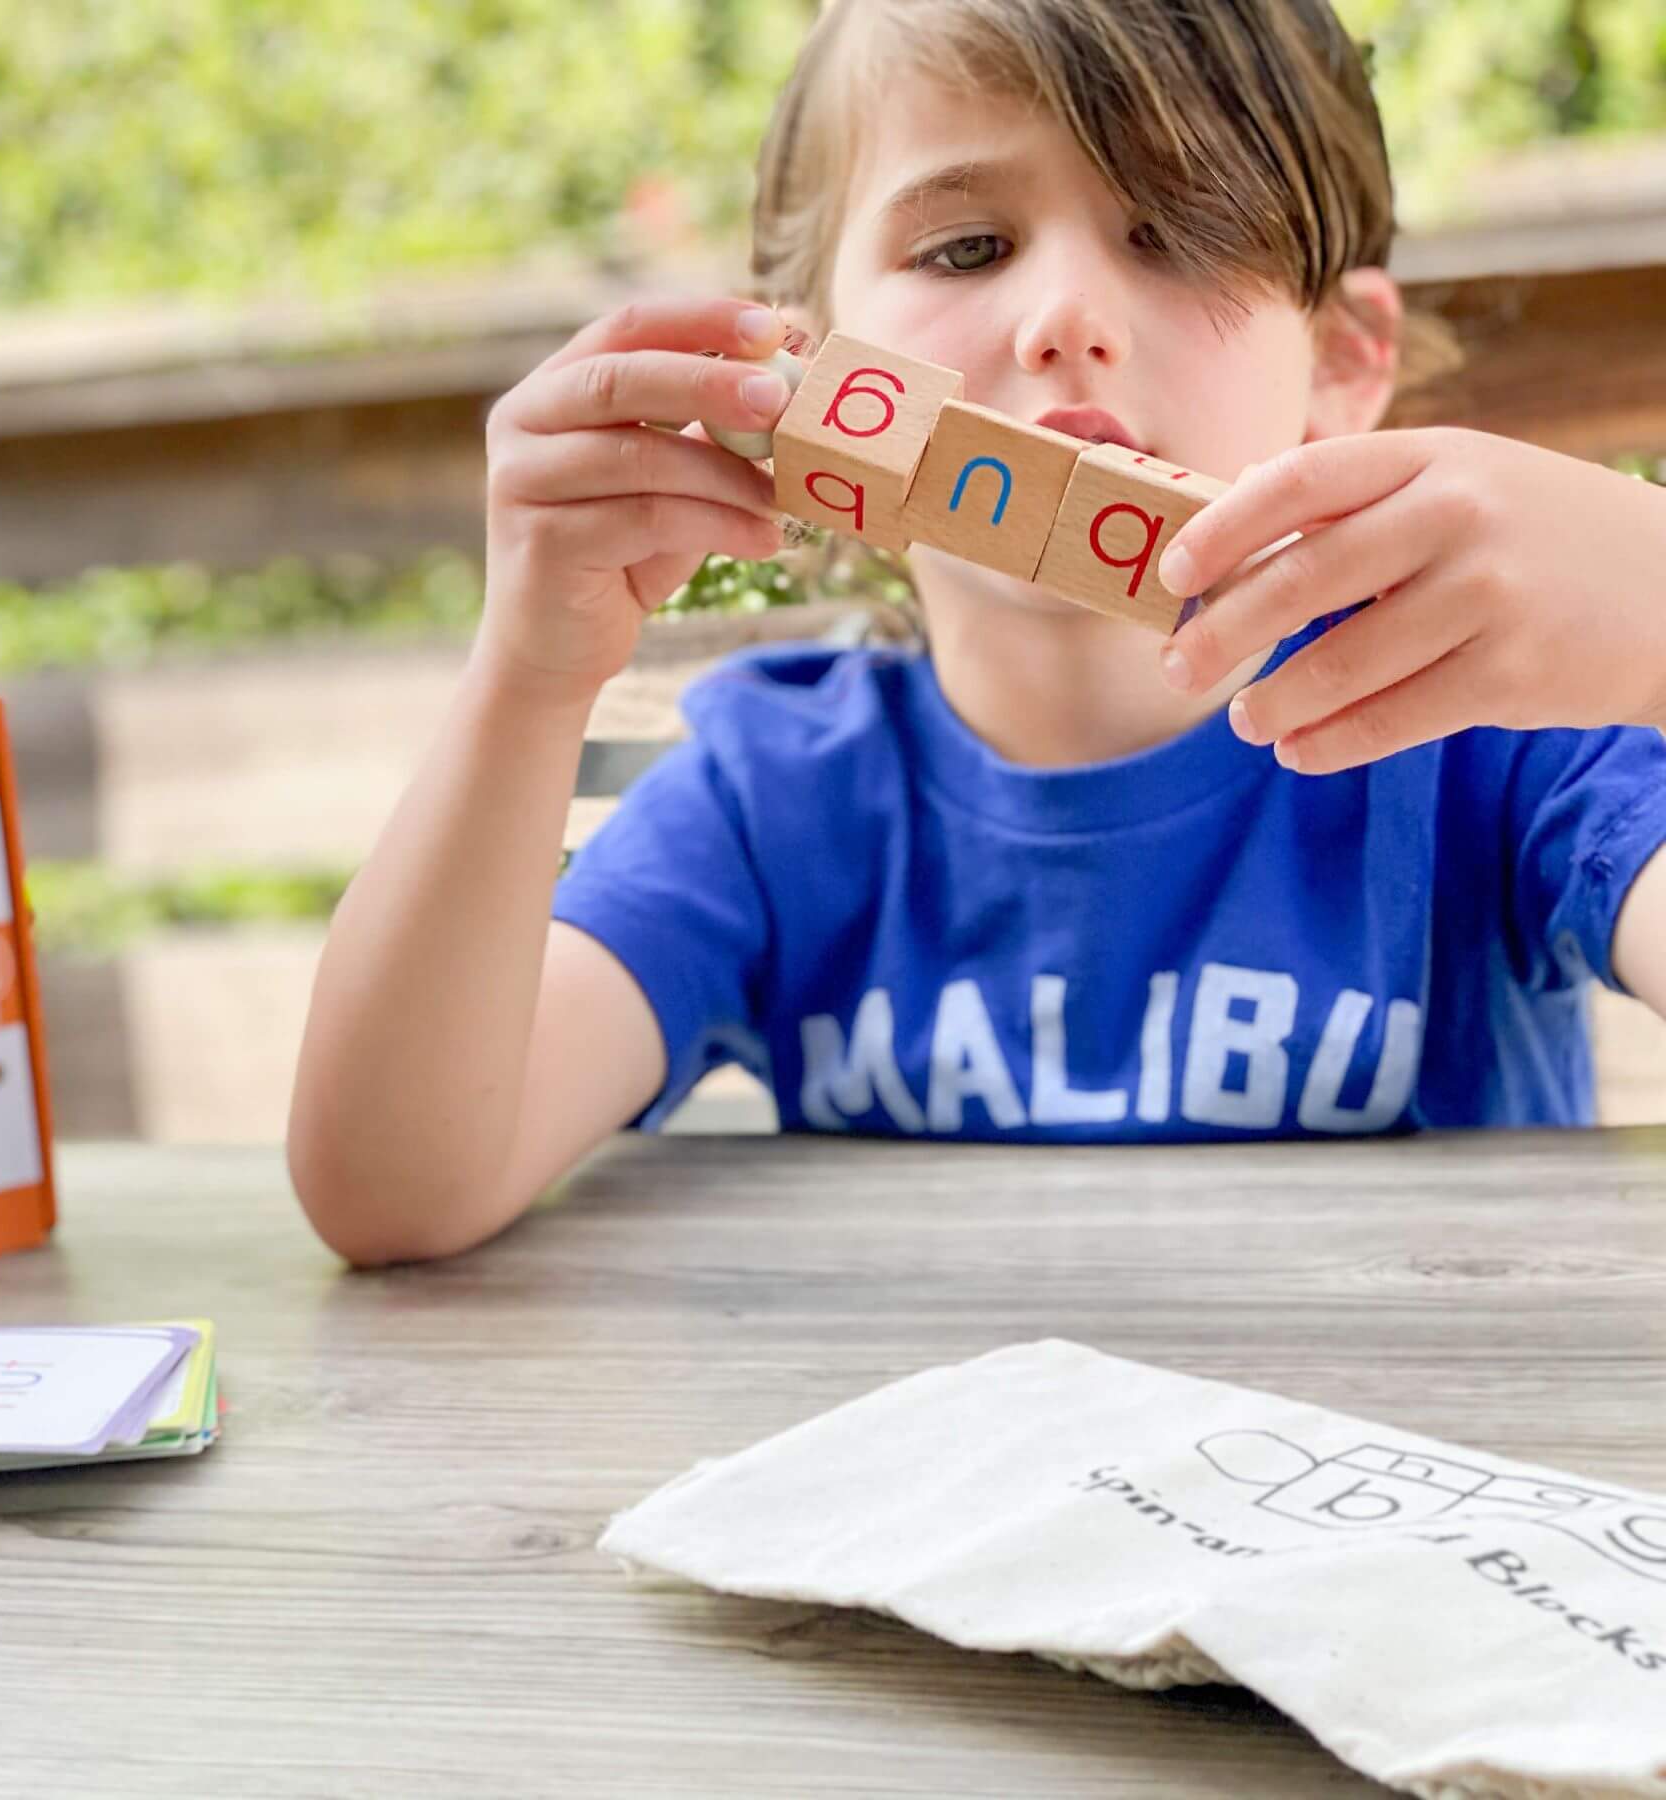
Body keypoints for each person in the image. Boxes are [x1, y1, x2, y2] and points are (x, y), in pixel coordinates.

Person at [286, 0, 1666, 1267]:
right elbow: (399, 1189)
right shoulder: (773, 799)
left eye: (1177, 229)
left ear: (1345, 361)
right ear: (808, 375)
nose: (1066, 319)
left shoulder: (1488, 740)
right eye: (965, 246)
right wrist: (530, 676)